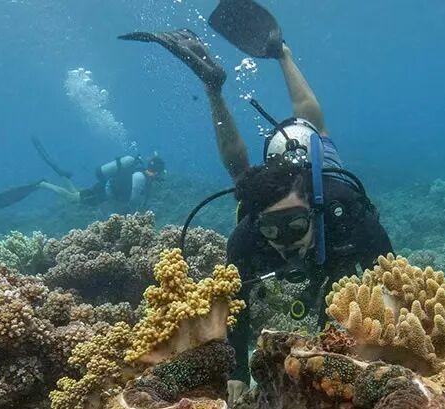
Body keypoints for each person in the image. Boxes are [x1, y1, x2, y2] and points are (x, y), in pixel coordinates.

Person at [121, 0, 393, 400]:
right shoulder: (249, 237)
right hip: (269, 192)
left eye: (295, 225)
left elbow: (389, 281)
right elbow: (238, 305)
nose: (285, 241)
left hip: (313, 168)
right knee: (242, 180)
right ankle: (213, 85)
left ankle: (281, 52)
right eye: (272, 229)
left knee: (315, 130)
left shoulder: (345, 212)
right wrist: (235, 372)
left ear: (314, 209)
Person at [0, 138, 166, 211]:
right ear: (156, 171)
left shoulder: (138, 171)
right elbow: (132, 200)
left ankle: (63, 175)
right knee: (73, 198)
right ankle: (43, 184)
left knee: (77, 193)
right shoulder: (140, 177)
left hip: (103, 189)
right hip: (103, 193)